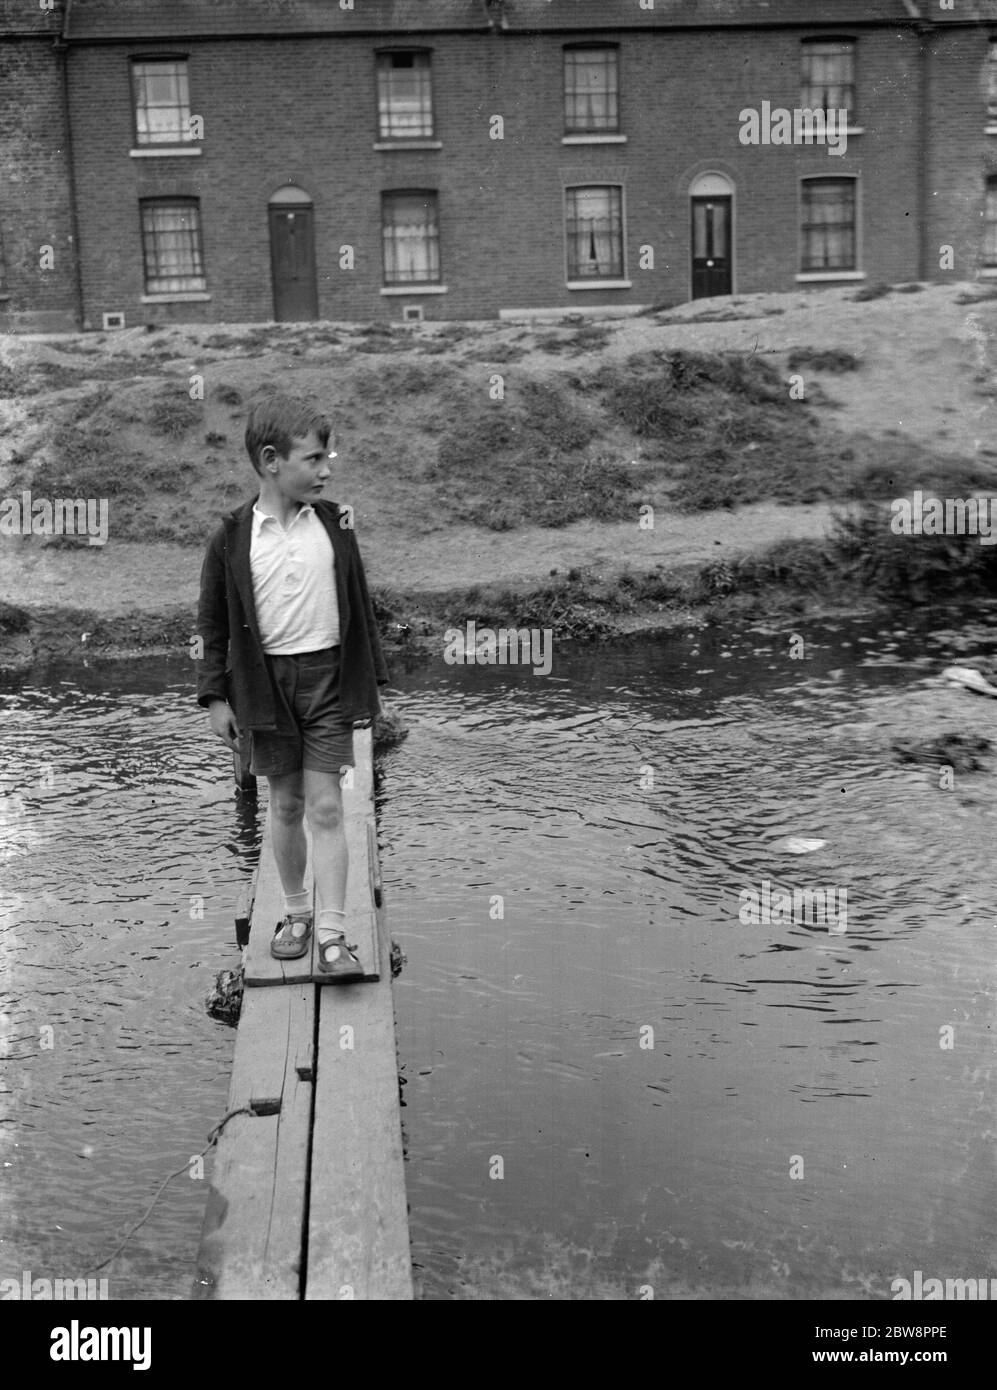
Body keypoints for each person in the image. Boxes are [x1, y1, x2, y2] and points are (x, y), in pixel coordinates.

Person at [195, 393, 389, 979]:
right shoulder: (230, 537)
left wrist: (374, 685)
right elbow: (213, 624)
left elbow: (361, 608)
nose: (327, 470)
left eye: (328, 457)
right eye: (315, 458)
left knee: (328, 807)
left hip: (329, 679)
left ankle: (333, 932)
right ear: (272, 460)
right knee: (285, 803)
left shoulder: (338, 524)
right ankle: (296, 914)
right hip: (263, 686)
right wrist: (214, 696)